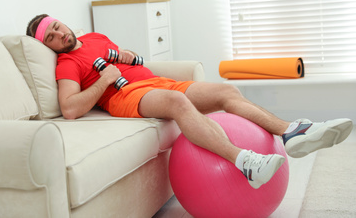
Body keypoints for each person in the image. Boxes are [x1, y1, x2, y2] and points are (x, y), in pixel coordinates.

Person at [26, 14, 353, 189]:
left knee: (226, 92)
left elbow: (130, 63)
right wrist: (106, 79)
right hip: (127, 97)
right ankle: (244, 162)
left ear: (62, 21)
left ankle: (291, 132)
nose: (59, 36)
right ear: (49, 46)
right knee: (178, 104)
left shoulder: (95, 38)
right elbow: (69, 108)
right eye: (50, 39)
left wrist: (128, 57)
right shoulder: (66, 65)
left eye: (57, 28)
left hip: (155, 81)